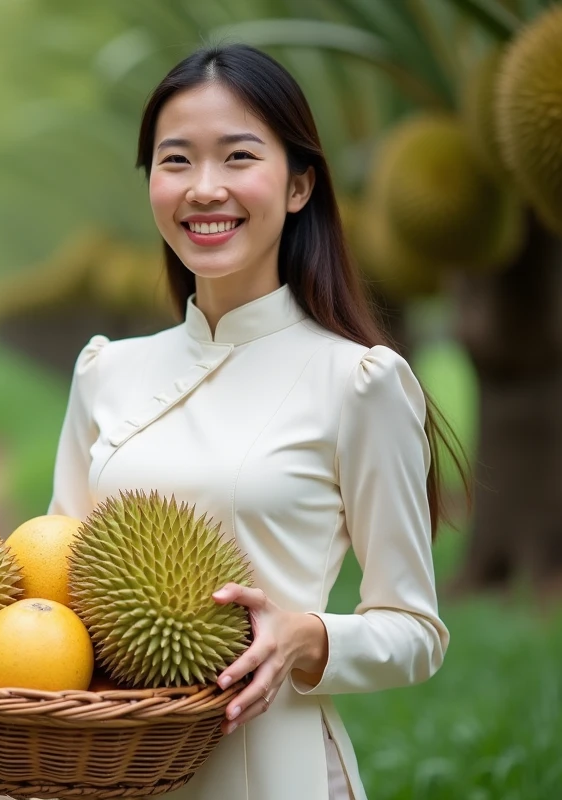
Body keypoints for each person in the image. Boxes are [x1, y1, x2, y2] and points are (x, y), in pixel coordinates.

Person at [47, 44, 466, 800]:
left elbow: (416, 631)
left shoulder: (359, 382)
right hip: (114, 768)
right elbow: (56, 573)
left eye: (238, 157)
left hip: (273, 770)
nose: (205, 189)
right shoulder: (106, 372)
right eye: (176, 161)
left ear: (299, 184)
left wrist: (308, 636)